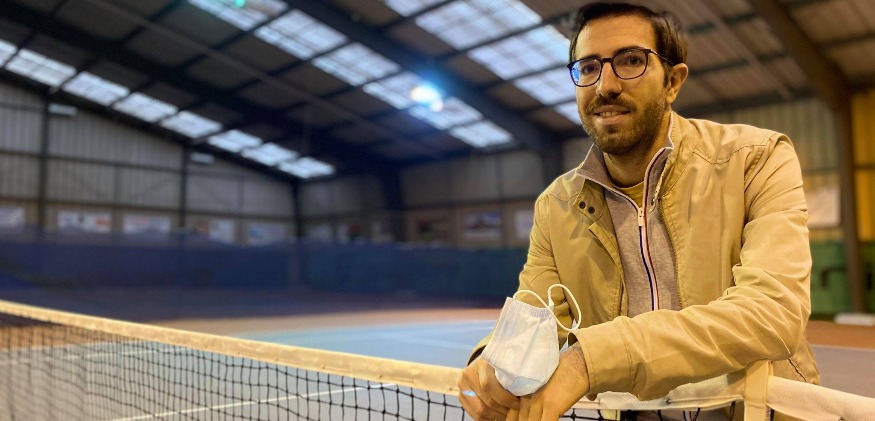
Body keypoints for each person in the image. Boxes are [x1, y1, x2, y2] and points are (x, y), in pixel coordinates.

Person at [458, 2, 820, 420]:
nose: (605, 85)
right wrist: (493, 360)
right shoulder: (556, 206)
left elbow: (772, 313)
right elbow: (535, 313)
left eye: (630, 60)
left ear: (672, 82)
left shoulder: (756, 160)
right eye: (588, 67)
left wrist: (589, 360)